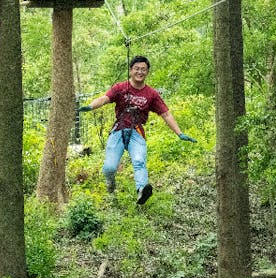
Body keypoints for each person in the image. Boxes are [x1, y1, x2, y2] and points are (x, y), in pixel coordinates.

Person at [79, 56, 197, 205]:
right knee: (109, 167)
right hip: (118, 130)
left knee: (139, 161)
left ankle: (141, 191)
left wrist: (179, 133)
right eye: (137, 69)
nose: (140, 72)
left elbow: (165, 114)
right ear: (130, 70)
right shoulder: (120, 88)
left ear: (147, 72)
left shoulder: (152, 94)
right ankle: (110, 184)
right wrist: (90, 106)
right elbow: (104, 99)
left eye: (143, 69)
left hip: (137, 132)